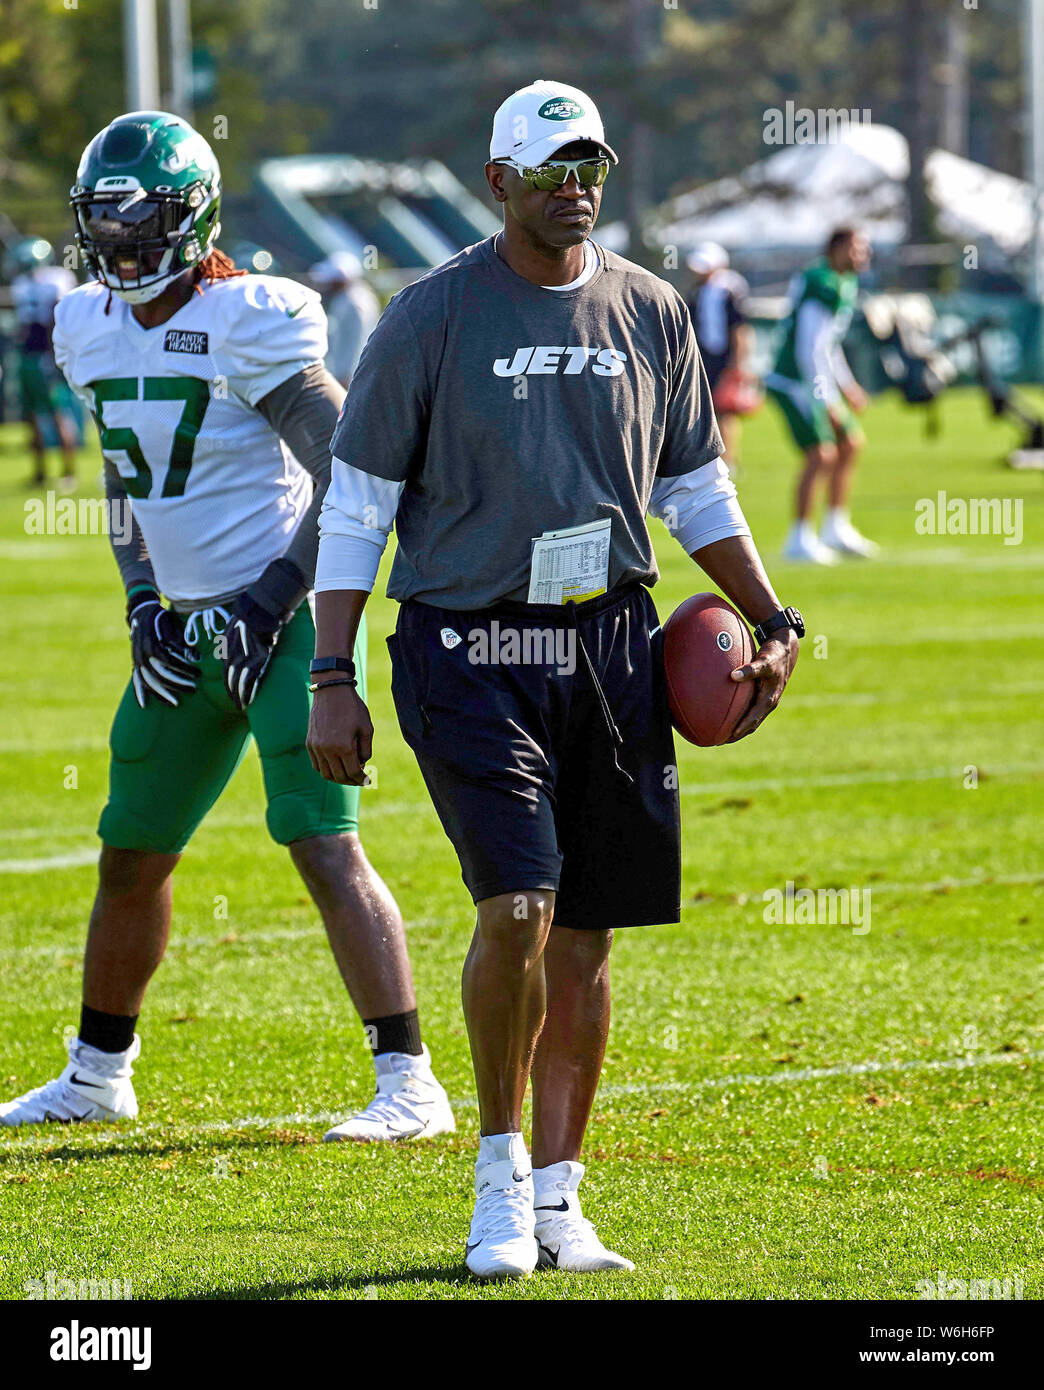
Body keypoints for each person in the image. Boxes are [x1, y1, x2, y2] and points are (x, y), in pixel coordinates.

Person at [306, 80, 801, 1279]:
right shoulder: (428, 316)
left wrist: (768, 612)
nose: (574, 186)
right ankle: (496, 1174)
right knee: (518, 907)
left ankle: (564, 1203)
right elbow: (358, 505)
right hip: (471, 647)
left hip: (611, 646)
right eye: (549, 169)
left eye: (588, 165)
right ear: (498, 184)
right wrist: (330, 671)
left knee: (585, 939)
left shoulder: (651, 308)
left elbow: (693, 486)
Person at [0, 111, 453, 1144]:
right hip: (181, 633)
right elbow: (125, 476)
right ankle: (97, 1071)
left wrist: (271, 599)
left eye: (139, 213)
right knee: (130, 850)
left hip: (277, 625)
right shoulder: (85, 325)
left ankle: (410, 1081)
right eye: (103, 214)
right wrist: (140, 601)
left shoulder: (255, 317)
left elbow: (351, 472)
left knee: (320, 842)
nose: (118, 234)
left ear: (192, 216)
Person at [765, 227, 877, 562]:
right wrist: (825, 397)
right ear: (837, 248)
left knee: (850, 443)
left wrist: (847, 385)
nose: (863, 255)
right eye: (857, 248)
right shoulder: (821, 282)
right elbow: (809, 348)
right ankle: (799, 538)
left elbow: (829, 344)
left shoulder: (844, 281)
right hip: (793, 381)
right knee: (820, 455)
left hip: (813, 379)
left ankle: (836, 526)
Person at [7, 238, 80, 489]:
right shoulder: (26, 283)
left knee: (54, 412)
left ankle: (67, 471)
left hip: (44, 356)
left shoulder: (55, 280)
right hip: (31, 355)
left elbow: (57, 319)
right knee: (34, 414)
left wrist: (55, 355)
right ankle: (42, 472)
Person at [685, 242, 757, 465]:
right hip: (704, 357)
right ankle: (709, 457)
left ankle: (728, 460)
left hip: (724, 358)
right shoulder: (698, 292)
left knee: (725, 410)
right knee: (704, 409)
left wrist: (738, 362)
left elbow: (739, 328)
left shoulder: (728, 290)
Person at [308, 251, 381, 388]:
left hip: (349, 378)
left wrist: (347, 377)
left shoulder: (355, 302)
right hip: (345, 375)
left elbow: (358, 341)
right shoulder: (348, 298)